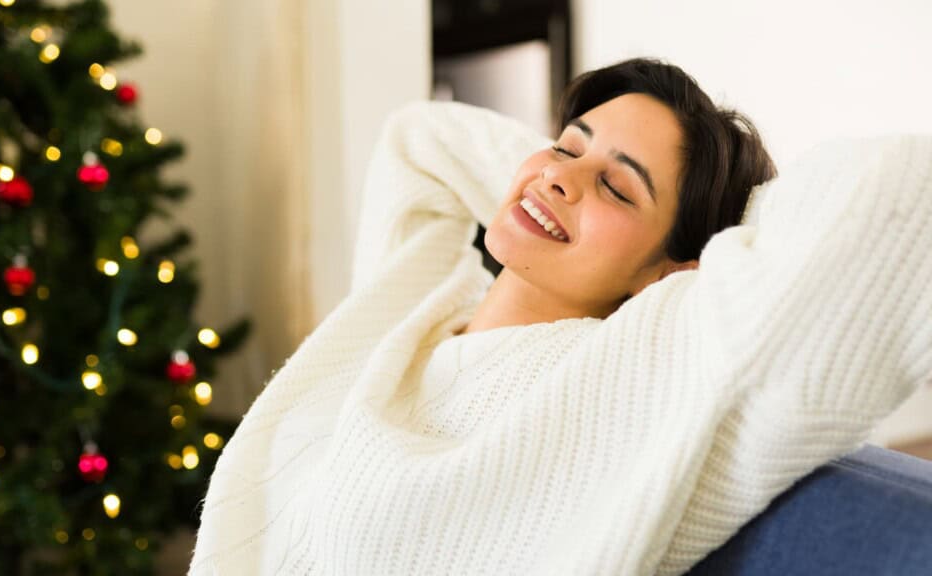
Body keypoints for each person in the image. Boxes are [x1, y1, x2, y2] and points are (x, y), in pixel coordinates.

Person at [188, 58, 932, 575]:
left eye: (618, 187)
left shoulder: (640, 376)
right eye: (562, 145)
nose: (558, 174)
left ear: (677, 272)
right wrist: (574, 184)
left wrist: (713, 243)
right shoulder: (413, 307)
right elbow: (419, 140)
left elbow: (904, 199)